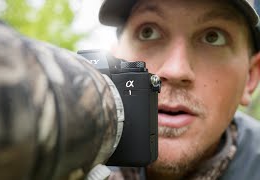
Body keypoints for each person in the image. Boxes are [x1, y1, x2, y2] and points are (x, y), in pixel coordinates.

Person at [98, 0, 260, 179]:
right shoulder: (75, 149)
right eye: (148, 32)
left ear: (250, 77)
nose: (176, 71)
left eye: (213, 37)